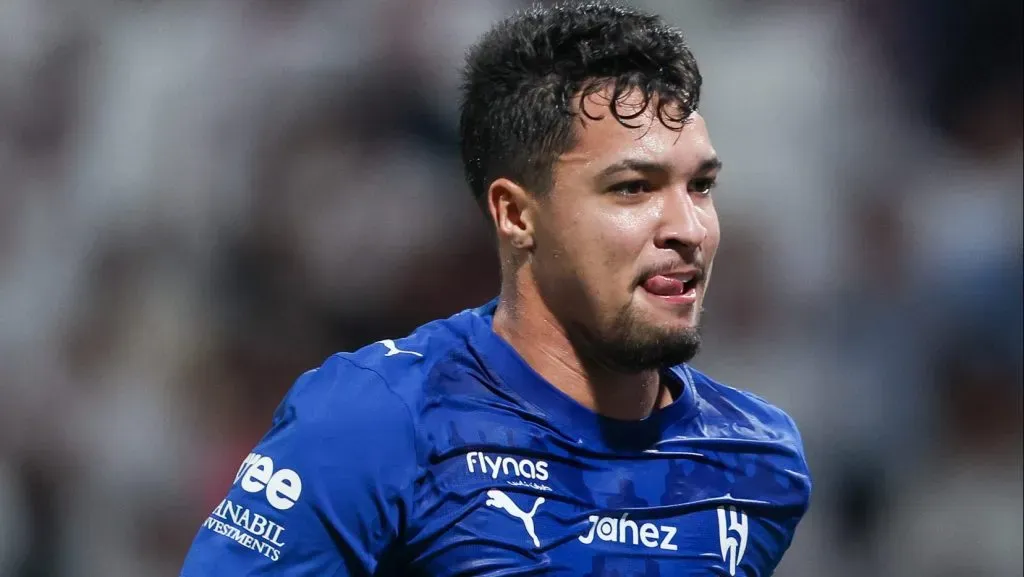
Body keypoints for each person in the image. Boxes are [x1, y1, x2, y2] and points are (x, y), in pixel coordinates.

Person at [179, 2, 811, 575]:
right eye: (632, 188)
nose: (688, 228)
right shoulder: (374, 421)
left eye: (700, 186)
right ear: (515, 215)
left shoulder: (758, 464)